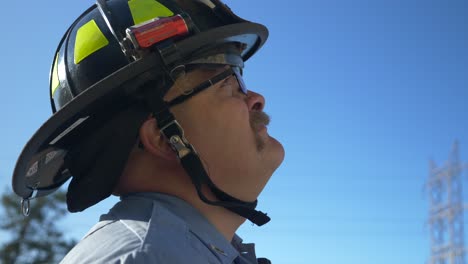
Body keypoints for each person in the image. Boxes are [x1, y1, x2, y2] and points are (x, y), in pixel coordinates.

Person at [12, 0, 284, 263]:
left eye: (241, 77)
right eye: (227, 83)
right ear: (164, 137)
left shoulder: (180, 250)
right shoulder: (146, 257)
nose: (257, 99)